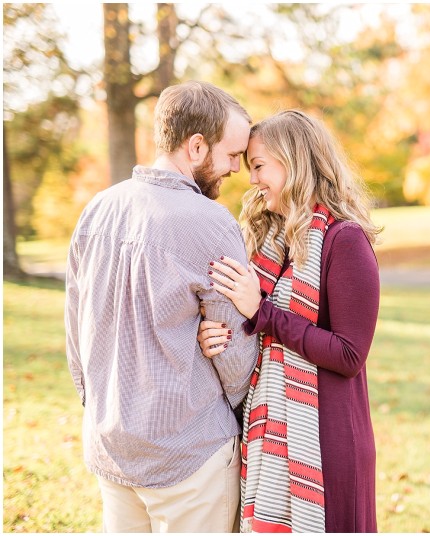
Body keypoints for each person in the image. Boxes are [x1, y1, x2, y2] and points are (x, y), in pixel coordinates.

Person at [65, 81, 259, 533]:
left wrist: (97, 405)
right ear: (196, 147)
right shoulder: (212, 223)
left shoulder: (97, 209)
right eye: (231, 156)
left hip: (111, 442)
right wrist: (230, 407)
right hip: (191, 453)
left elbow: (75, 332)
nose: (236, 168)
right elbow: (234, 353)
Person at [197, 110, 381, 533]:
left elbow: (349, 354)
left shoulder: (344, 240)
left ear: (293, 161)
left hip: (327, 444)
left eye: (259, 165)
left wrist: (261, 313)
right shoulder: (273, 244)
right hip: (271, 437)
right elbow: (258, 335)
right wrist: (218, 336)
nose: (252, 180)